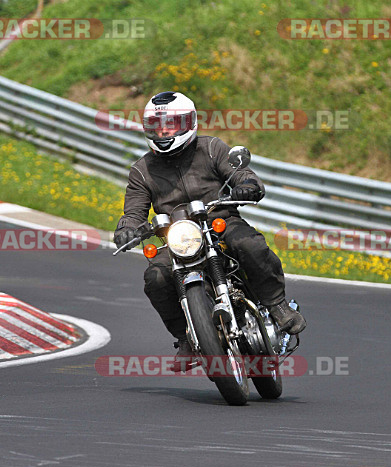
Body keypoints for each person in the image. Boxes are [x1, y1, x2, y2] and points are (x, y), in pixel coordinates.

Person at [114, 91, 305, 369]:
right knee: (155, 277)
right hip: (178, 237)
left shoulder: (212, 148)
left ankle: (277, 305)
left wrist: (246, 185)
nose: (164, 131)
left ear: (189, 122)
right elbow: (133, 212)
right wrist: (127, 230)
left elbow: (242, 174)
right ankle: (185, 338)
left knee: (250, 245)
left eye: (171, 124)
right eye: (158, 125)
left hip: (220, 221)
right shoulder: (142, 170)